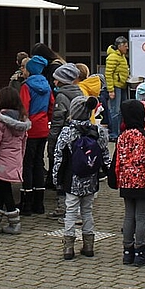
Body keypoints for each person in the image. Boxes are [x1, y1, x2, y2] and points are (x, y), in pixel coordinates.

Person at [53, 96, 111, 260]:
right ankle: (88, 245)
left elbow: (58, 156)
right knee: (87, 211)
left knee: (70, 212)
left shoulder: (67, 132)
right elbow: (105, 155)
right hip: (91, 178)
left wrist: (56, 179)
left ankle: (68, 247)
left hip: (72, 179)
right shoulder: (97, 131)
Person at [110, 99, 145, 266]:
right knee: (141, 217)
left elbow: (116, 161)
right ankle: (141, 252)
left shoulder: (122, 137)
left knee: (129, 216)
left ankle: (127, 251)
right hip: (144, 183)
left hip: (126, 183)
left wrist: (114, 180)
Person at [0, 86, 31, 235]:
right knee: (2, 188)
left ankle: (13, 222)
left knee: (3, 189)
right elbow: (23, 144)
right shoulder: (23, 121)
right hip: (14, 160)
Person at [45, 63, 84, 218]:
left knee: (61, 173)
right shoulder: (79, 92)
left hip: (63, 139)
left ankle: (64, 208)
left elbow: (57, 121)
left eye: (56, 79)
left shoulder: (61, 96)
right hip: (77, 140)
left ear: (62, 80)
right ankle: (76, 208)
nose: (54, 82)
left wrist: (52, 143)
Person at [19, 55, 54, 218]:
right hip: (43, 128)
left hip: (30, 128)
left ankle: (27, 203)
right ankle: (39, 204)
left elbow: (23, 108)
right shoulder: (46, 85)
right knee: (39, 163)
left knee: (27, 164)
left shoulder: (26, 86)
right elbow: (51, 106)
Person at [104, 36, 129, 141]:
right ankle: (114, 134)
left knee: (123, 109)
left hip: (122, 85)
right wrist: (111, 90)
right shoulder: (113, 57)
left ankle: (121, 131)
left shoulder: (121, 56)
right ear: (120, 46)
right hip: (115, 86)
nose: (127, 48)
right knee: (115, 110)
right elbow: (108, 74)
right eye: (126, 46)